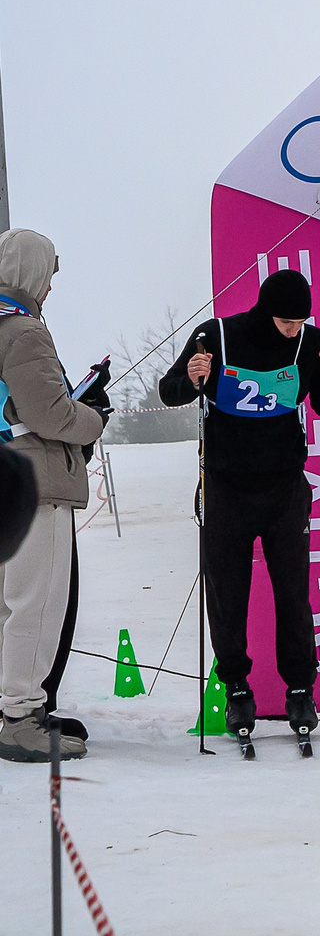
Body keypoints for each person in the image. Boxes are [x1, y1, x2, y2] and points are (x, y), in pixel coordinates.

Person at [159, 268, 320, 745]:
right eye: (286, 323)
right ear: (267, 313)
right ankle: (237, 688)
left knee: (293, 593)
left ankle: (300, 688)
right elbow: (169, 391)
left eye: (300, 322)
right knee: (228, 594)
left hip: (284, 487)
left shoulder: (310, 341)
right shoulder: (217, 336)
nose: (293, 331)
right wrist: (192, 376)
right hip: (227, 487)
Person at [0, 230, 111, 762]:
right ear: (30, 272)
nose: (49, 288)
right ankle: (20, 717)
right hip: (34, 486)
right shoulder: (23, 330)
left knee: (7, 605)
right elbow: (51, 415)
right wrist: (94, 417)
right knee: (35, 605)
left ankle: (12, 706)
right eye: (48, 276)